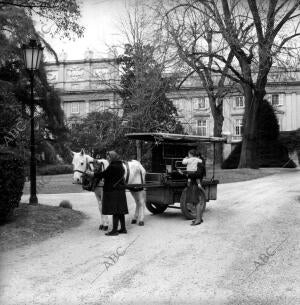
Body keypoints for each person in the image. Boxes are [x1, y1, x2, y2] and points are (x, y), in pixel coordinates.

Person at [86, 151, 128, 236]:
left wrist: (92, 174)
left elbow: (104, 174)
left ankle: (114, 231)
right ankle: (123, 229)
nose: (107, 158)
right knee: (120, 211)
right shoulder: (120, 165)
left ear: (113, 157)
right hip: (120, 190)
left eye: (109, 157)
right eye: (107, 157)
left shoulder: (112, 166)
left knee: (115, 211)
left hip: (114, 191)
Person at [178, 149, 206, 226]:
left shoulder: (199, 163)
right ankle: (199, 218)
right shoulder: (198, 162)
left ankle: (198, 220)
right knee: (195, 201)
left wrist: (187, 175)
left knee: (196, 201)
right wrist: (184, 173)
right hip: (193, 183)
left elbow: (198, 175)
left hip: (195, 184)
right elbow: (193, 173)